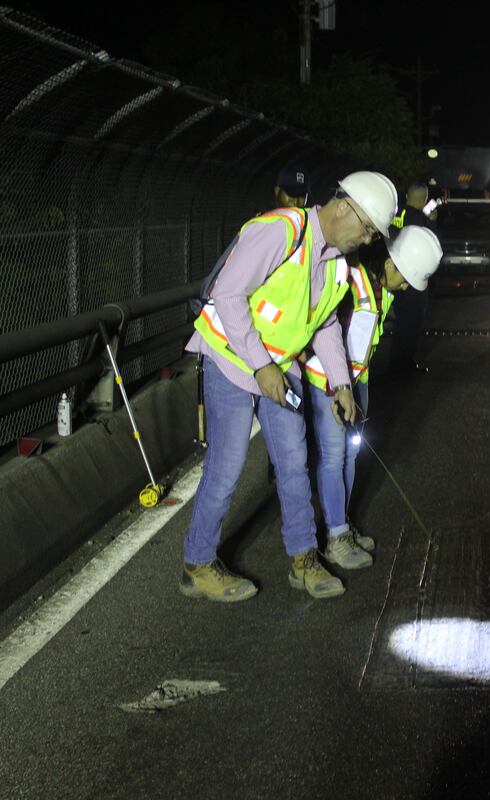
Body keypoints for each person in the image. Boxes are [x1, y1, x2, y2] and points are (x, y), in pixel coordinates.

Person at [180, 171, 398, 603]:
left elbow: (326, 325)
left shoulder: (336, 263)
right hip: (230, 357)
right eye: (367, 228)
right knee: (227, 466)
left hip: (280, 366)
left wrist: (341, 384)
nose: (367, 239)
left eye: (374, 234)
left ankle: (303, 557)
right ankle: (197, 565)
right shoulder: (280, 231)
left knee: (294, 463)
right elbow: (228, 295)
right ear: (344, 207)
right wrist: (261, 366)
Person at [301, 226, 443, 569]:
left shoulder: (381, 289)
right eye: (406, 278)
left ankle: (342, 524)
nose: (406, 287)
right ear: (390, 264)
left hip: (356, 380)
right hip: (328, 382)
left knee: (351, 454)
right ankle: (335, 538)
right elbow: (320, 332)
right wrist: (337, 388)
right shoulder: (351, 282)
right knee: (334, 457)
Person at [387, 183, 436, 377]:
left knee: (400, 321)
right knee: (412, 322)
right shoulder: (420, 219)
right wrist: (432, 222)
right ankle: (404, 363)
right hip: (413, 276)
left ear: (407, 195)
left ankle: (395, 361)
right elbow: (432, 245)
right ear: (424, 201)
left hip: (394, 272)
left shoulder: (395, 214)